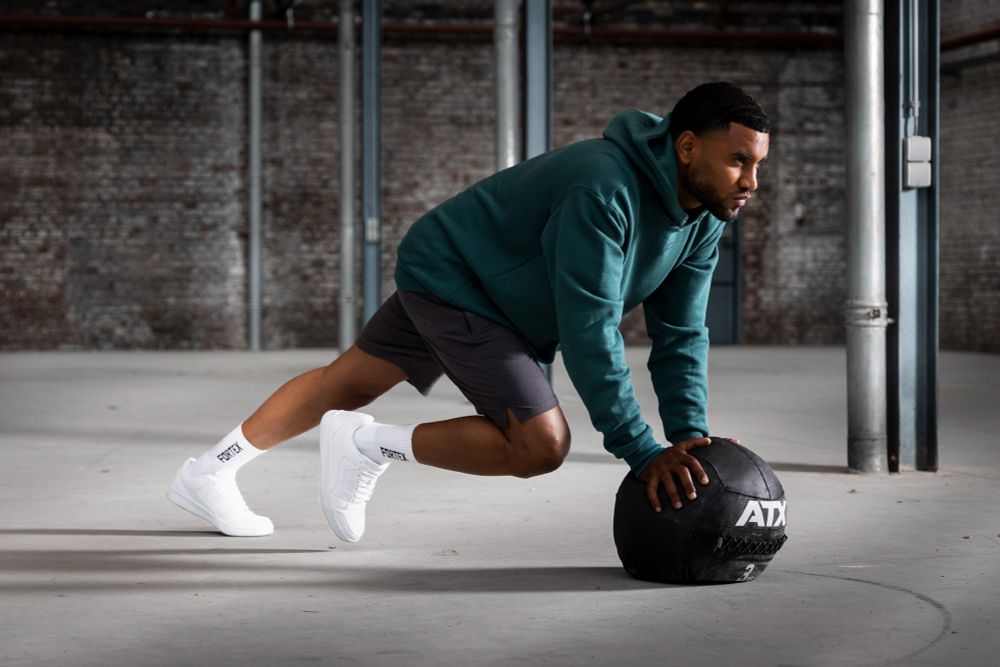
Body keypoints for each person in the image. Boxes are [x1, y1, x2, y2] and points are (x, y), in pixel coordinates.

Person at [167, 81, 770, 541]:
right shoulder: (604, 190)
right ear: (687, 147)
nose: (751, 181)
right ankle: (366, 445)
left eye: (758, 165)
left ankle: (208, 472)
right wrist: (641, 450)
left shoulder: (703, 217)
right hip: (461, 282)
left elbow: (681, 332)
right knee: (539, 445)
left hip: (473, 276)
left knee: (346, 381)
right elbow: (591, 329)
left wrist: (689, 436)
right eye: (738, 160)